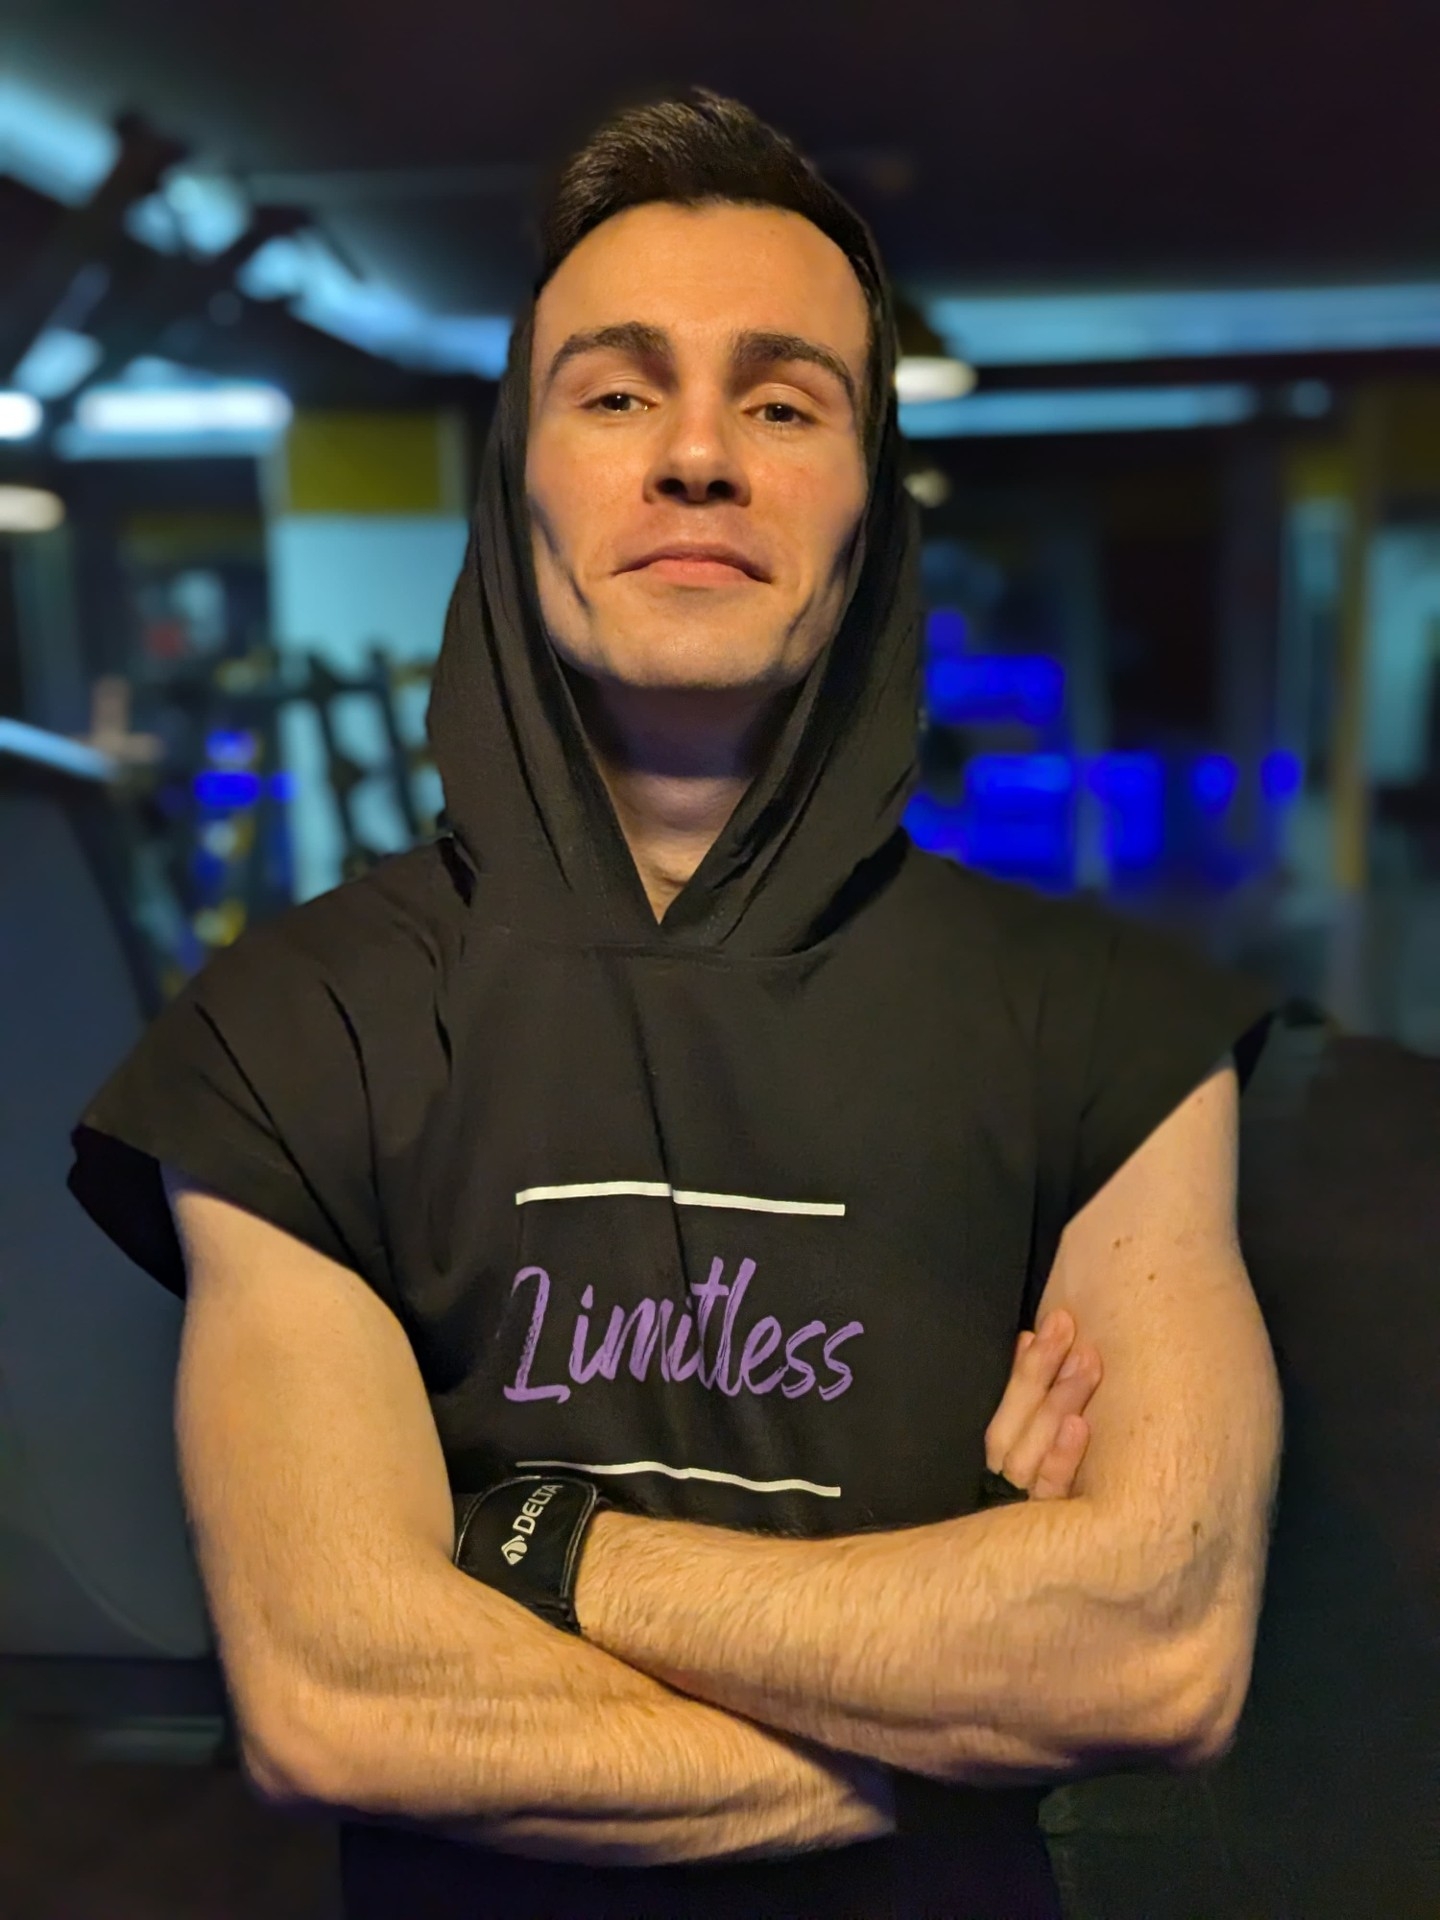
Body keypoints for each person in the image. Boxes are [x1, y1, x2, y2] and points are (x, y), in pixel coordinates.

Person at [69, 89, 1284, 1920]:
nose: (699, 454)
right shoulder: (290, 1037)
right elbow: (345, 1697)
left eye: (785, 403)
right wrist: (961, 1700)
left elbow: (1154, 1648)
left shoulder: (1114, 1033)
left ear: (870, 502)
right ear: (521, 472)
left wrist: (527, 1548)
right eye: (619, 393)